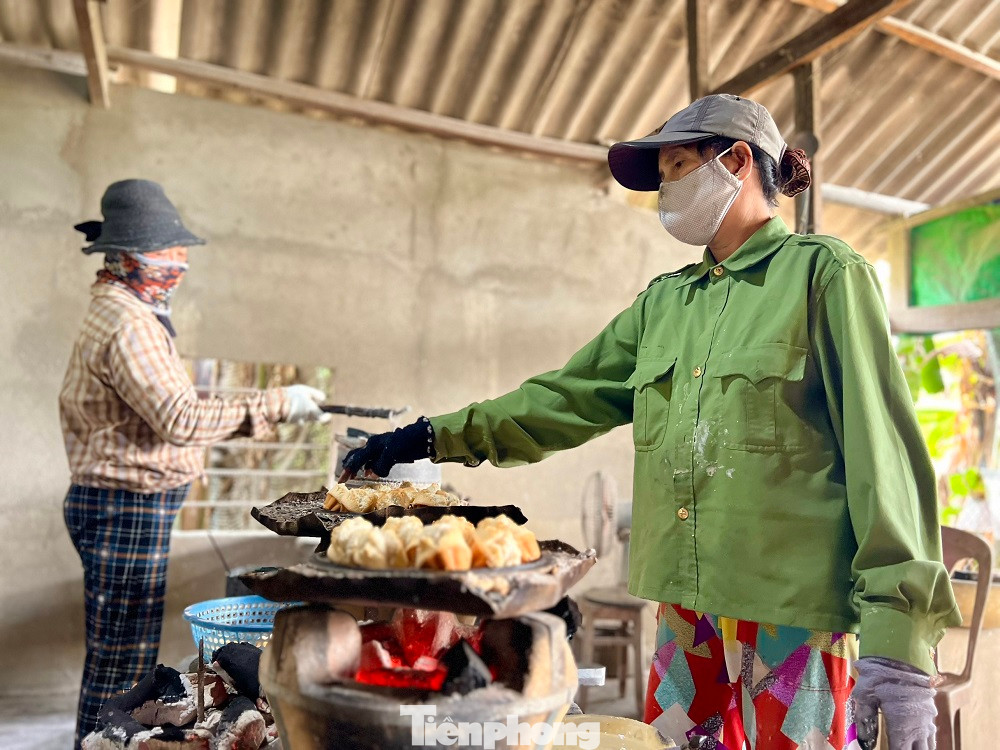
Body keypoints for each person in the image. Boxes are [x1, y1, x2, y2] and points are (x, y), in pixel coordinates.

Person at [342, 95, 960, 750]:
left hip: (793, 622)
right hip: (685, 615)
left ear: (737, 159)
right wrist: (434, 435)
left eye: (677, 165)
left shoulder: (824, 277)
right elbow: (563, 397)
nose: (666, 189)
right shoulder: (666, 305)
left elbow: (882, 458)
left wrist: (897, 644)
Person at [60, 179, 330, 748]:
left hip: (121, 507)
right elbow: (180, 418)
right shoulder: (128, 323)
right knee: (120, 660)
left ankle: (95, 741)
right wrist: (279, 404)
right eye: (168, 257)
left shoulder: (123, 308)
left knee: (116, 650)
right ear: (130, 258)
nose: (178, 267)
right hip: (125, 508)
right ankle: (98, 743)